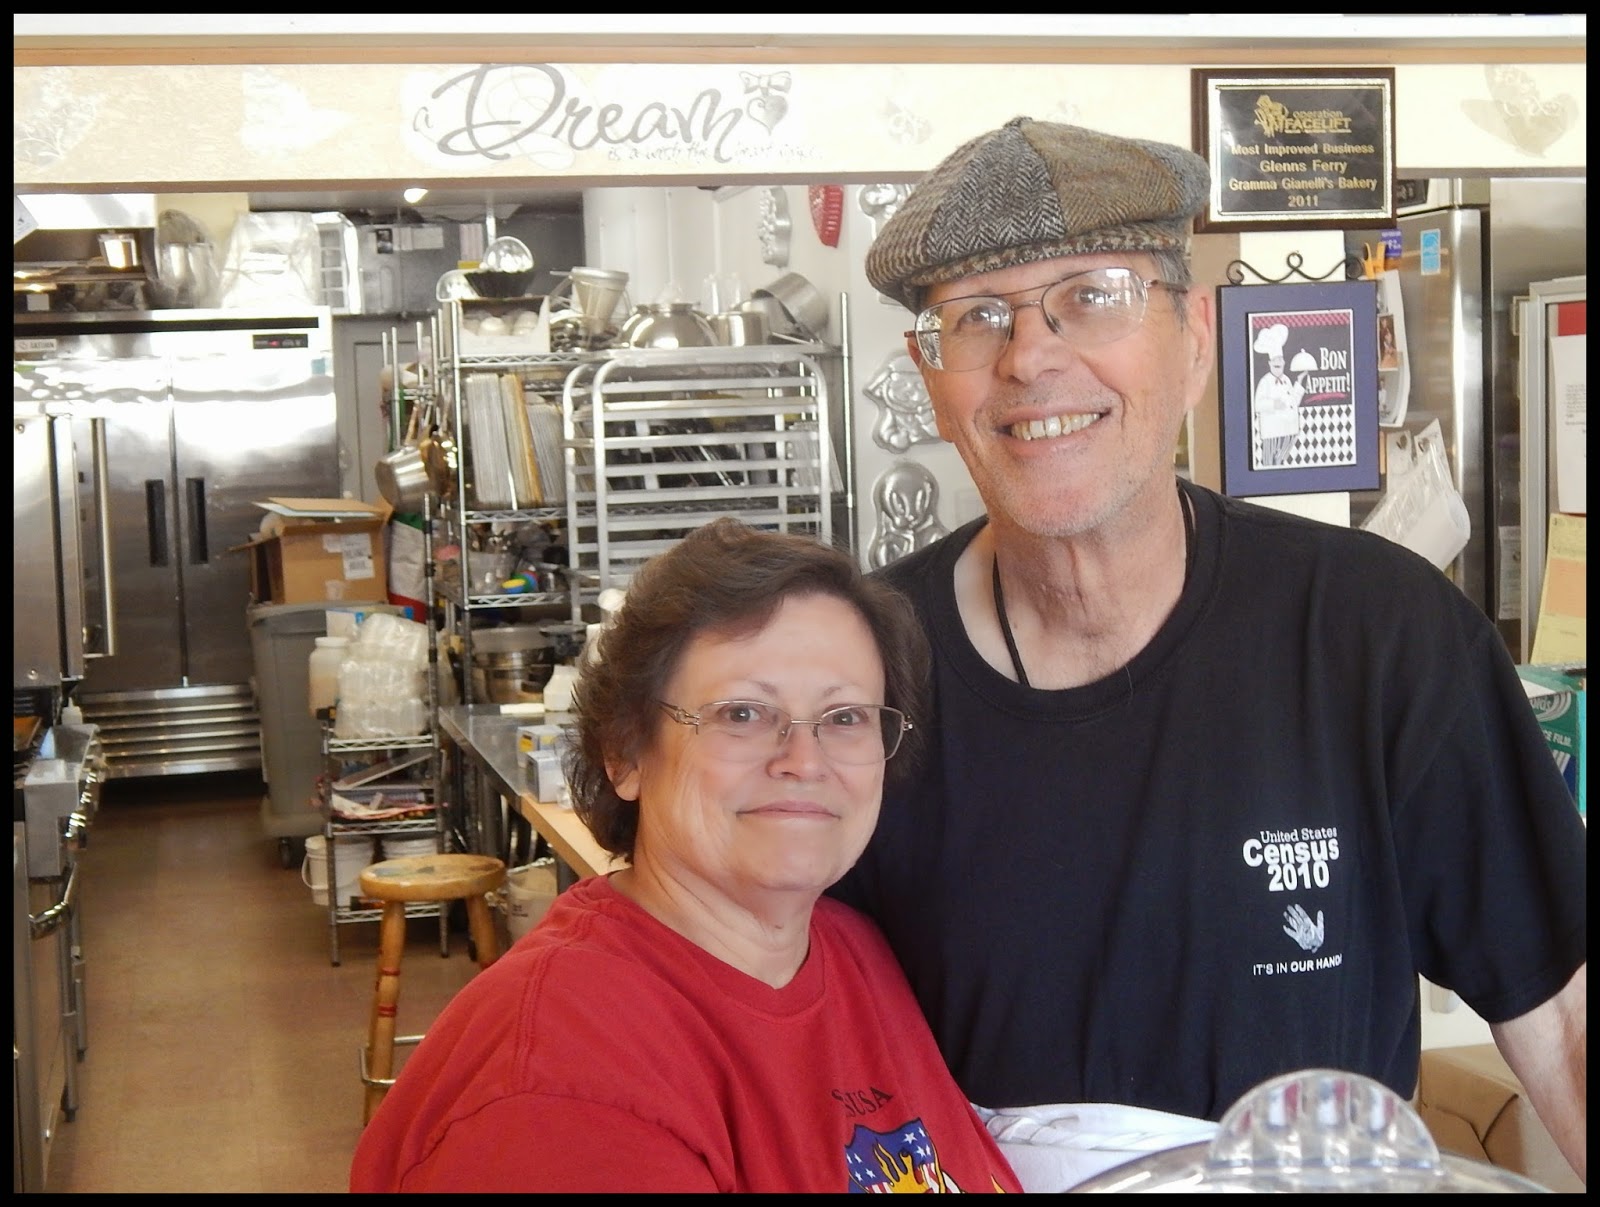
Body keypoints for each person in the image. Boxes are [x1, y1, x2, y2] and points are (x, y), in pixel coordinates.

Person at [830, 116, 1587, 1188]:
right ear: (929, 374)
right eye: (976, 315)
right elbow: (778, 1027)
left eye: (1093, 294)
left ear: (1192, 338)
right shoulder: (859, 675)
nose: (1030, 356)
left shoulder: (1377, 634)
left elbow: (1563, 1013)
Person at [349, 517, 1022, 1194]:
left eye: (845, 717)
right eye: (742, 713)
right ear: (625, 752)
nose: (804, 759)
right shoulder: (560, 1090)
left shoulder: (854, 952)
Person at [1250, 335, 1306, 467]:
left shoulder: (1287, 380)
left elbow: (1294, 402)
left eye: (1280, 359)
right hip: (1272, 429)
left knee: (1280, 460)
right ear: (1269, 363)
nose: (1278, 362)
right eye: (1275, 360)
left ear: (1284, 363)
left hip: (1289, 429)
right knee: (1269, 462)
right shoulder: (1265, 382)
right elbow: (1257, 404)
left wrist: (1299, 381)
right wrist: (1273, 404)